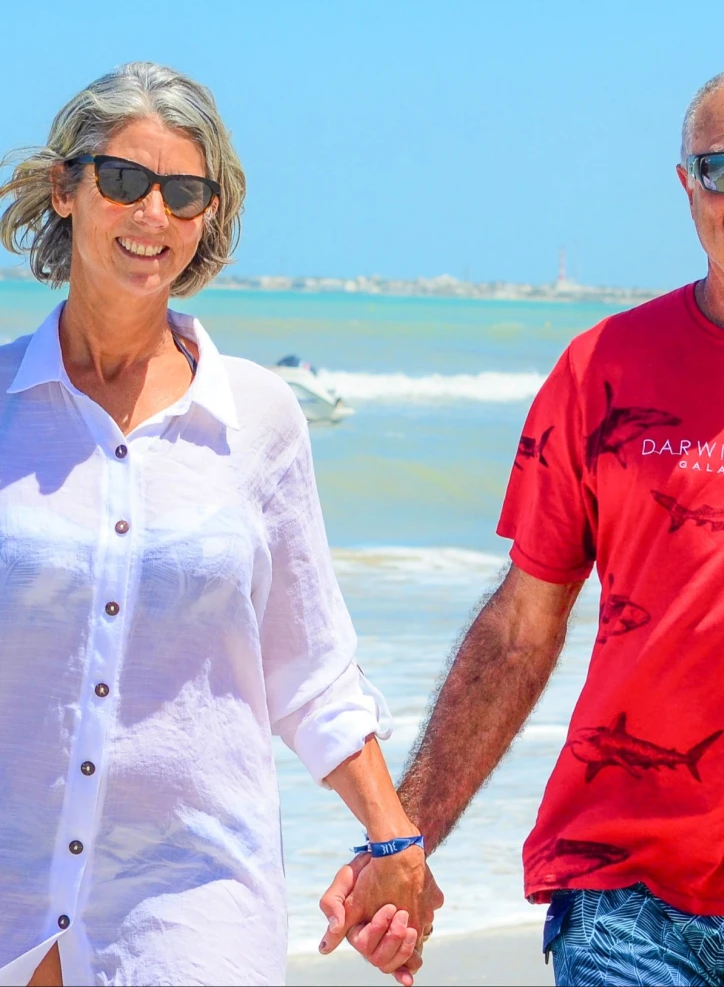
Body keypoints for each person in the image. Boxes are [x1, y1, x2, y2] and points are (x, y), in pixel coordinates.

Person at [327, 60, 724, 987]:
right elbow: (521, 622)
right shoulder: (602, 368)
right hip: (623, 889)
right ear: (686, 186)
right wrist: (405, 833)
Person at [0, 62, 440, 987]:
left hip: (195, 897)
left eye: (184, 192)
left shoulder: (261, 418)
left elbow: (309, 665)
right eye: (122, 179)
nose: (150, 213)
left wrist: (391, 834)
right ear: (65, 191)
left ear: (209, 218)